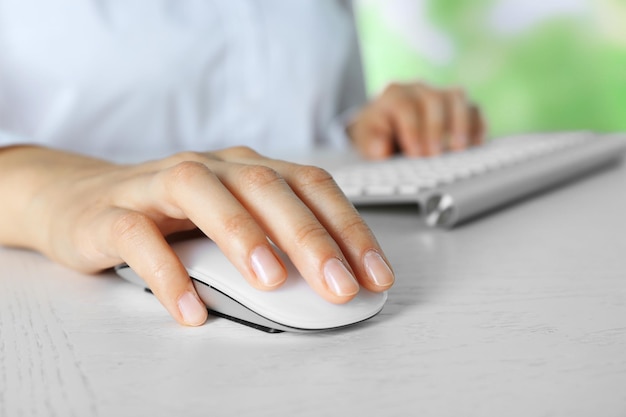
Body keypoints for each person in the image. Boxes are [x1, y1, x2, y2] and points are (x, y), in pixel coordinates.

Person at [0, 1, 484, 326]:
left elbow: (309, 109)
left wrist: (368, 129)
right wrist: (50, 192)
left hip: (325, 233)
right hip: (52, 304)